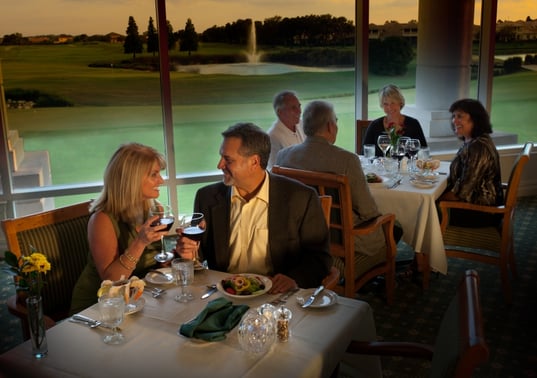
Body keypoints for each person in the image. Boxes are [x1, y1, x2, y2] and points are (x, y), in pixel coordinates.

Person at [175, 122, 331, 293]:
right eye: (221, 157)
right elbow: (199, 254)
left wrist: (294, 279)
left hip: (275, 296)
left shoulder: (300, 198)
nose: (220, 165)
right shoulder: (207, 197)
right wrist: (190, 256)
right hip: (225, 294)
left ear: (254, 162)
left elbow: (319, 258)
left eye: (228, 159)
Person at [275, 100, 402, 279]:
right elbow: (368, 212)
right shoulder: (347, 160)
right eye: (336, 121)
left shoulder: (283, 156)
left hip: (300, 237)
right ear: (329, 126)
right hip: (340, 240)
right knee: (394, 226)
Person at [70, 143, 168, 314]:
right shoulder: (102, 219)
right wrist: (140, 242)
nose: (161, 180)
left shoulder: (155, 209)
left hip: (139, 298)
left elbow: (155, 261)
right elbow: (112, 280)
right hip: (99, 306)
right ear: (132, 179)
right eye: (154, 175)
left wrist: (180, 253)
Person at [438, 99, 504, 227]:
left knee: (427, 210)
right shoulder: (474, 141)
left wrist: (436, 199)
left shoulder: (478, 148)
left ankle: (430, 246)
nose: (454, 121)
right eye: (454, 116)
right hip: (476, 203)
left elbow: (462, 192)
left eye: (460, 116)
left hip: (481, 211)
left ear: (475, 119)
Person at [363, 84, 428, 157]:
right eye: (385, 104)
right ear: (382, 105)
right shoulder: (375, 125)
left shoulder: (413, 124)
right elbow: (364, 153)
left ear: (400, 103)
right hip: (380, 167)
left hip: (407, 167)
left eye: (393, 103)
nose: (389, 107)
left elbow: (424, 151)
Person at [266, 90, 305, 169]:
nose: (299, 111)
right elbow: (274, 169)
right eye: (293, 108)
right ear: (280, 112)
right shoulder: (273, 137)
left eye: (299, 106)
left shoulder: (302, 124)